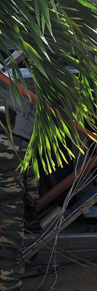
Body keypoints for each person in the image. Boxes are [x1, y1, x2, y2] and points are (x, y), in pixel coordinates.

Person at [0, 106, 25, 291]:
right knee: (9, 255)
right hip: (11, 209)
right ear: (13, 125)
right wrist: (32, 212)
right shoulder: (21, 147)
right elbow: (32, 183)